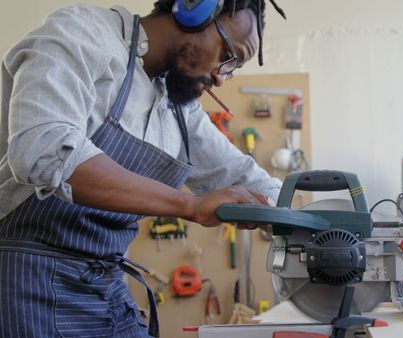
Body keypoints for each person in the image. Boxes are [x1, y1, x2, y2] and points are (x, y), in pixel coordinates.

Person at [0, 0, 286, 337]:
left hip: (105, 287)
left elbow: (245, 178)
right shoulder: (83, 32)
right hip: (27, 283)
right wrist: (189, 206)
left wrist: (314, 222)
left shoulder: (180, 111)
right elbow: (42, 148)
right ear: (193, 8)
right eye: (227, 55)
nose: (220, 79)